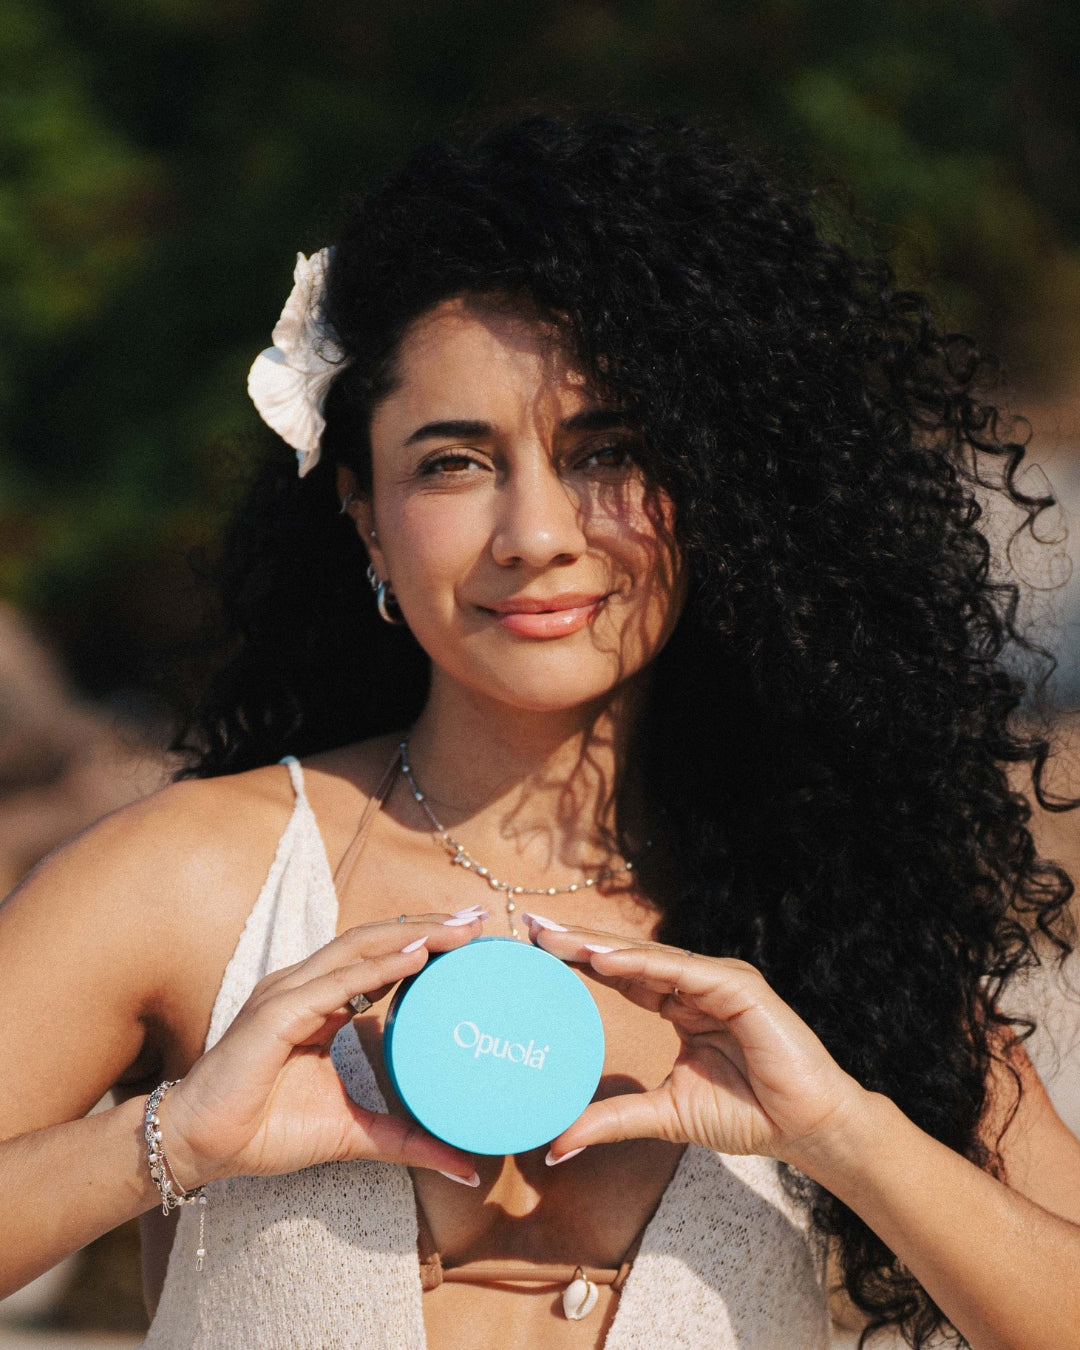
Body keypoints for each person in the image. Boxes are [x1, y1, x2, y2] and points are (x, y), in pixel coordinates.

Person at [1, 112, 1079, 1350]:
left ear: (718, 486)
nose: (537, 534)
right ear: (363, 516)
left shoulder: (838, 924)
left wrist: (843, 1131)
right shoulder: (193, 880)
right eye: (454, 463)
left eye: (608, 452)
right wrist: (171, 1139)